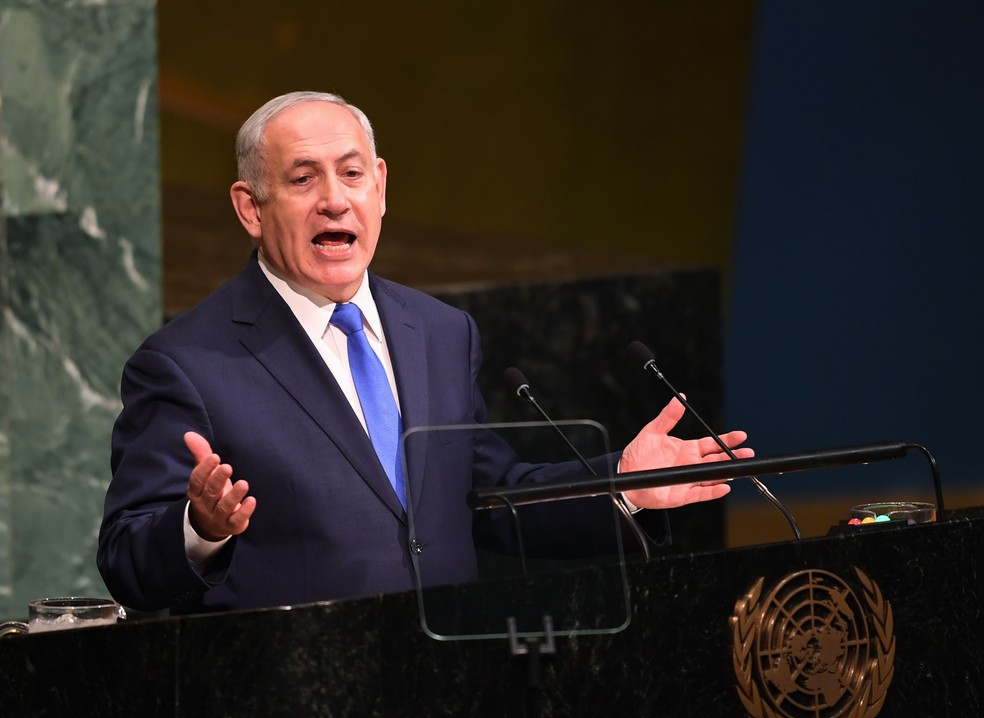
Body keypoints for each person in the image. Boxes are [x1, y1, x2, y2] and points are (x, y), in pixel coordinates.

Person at [97, 91, 752, 614]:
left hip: (447, 705)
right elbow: (127, 560)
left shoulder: (439, 331)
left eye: (351, 173)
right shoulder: (187, 362)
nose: (334, 197)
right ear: (251, 207)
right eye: (303, 179)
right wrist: (201, 527)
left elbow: (491, 499)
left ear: (379, 187)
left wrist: (625, 485)